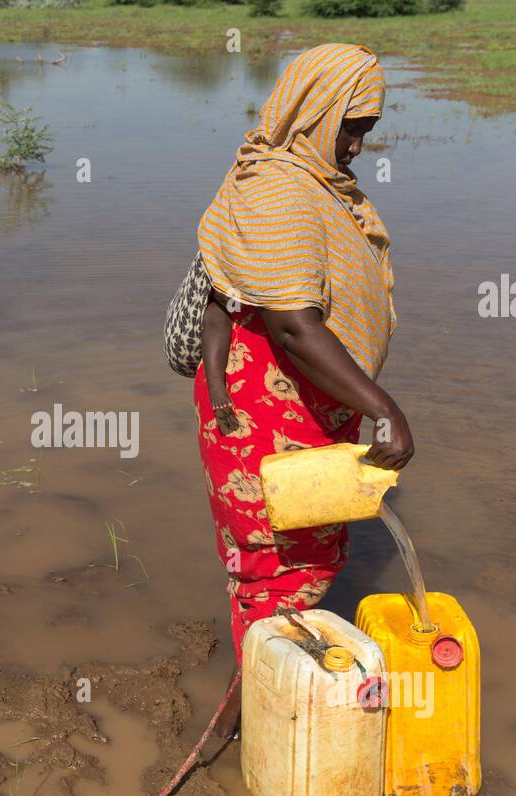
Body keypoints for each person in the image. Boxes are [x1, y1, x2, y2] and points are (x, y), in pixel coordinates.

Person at [191, 43, 414, 736]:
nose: (355, 146)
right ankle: (260, 711)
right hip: (265, 403)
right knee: (276, 558)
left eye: (367, 132)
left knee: (299, 549)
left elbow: (225, 293)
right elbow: (291, 328)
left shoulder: (297, 175)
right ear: (314, 109)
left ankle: (266, 689)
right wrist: (385, 409)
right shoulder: (276, 189)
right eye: (349, 127)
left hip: (295, 402)